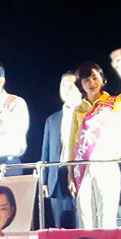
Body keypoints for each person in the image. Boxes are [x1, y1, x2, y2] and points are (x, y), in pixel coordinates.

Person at [67, 49, 121, 229]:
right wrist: (70, 172)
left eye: (94, 77)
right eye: (86, 80)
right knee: (85, 219)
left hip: (107, 165)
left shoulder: (114, 103)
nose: (91, 83)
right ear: (81, 84)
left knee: (106, 220)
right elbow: (73, 142)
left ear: (103, 79)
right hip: (82, 168)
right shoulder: (78, 110)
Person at [41, 72, 82, 228]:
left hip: (79, 174)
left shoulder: (87, 115)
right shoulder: (52, 119)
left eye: (71, 85)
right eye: (63, 85)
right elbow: (46, 152)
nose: (66, 89)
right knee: (60, 227)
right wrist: (44, 181)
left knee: (81, 224)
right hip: (56, 177)